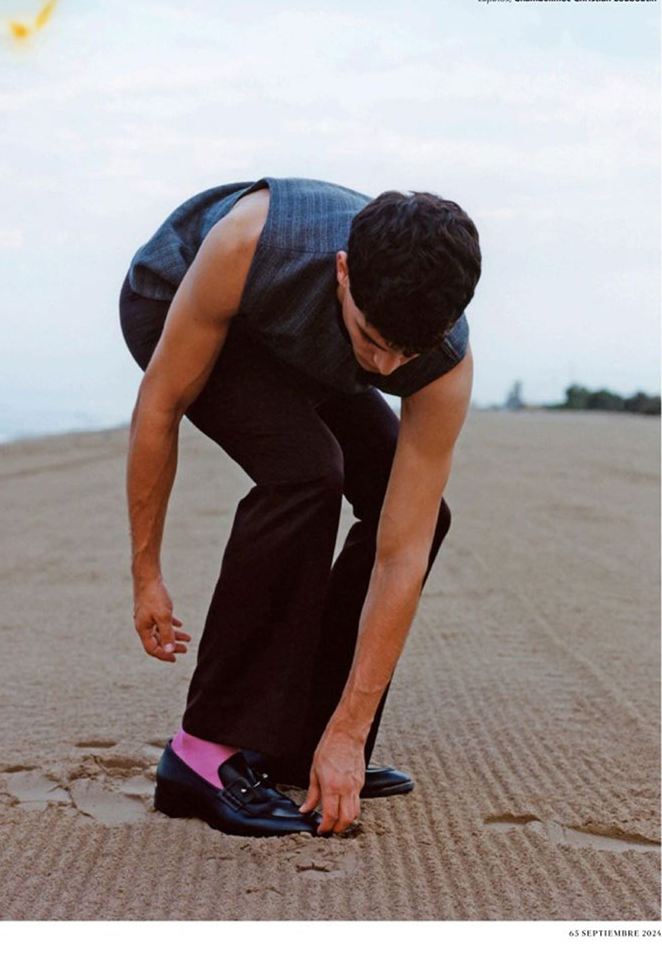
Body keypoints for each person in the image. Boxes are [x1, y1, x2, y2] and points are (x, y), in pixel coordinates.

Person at [119, 176, 481, 838]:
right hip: (178, 300)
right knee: (306, 473)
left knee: (421, 513)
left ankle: (304, 740)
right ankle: (200, 754)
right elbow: (160, 405)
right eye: (374, 337)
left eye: (408, 353)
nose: (387, 366)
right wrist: (147, 573)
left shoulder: (441, 360)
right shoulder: (249, 242)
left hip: (306, 342)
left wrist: (348, 731)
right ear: (343, 272)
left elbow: (401, 553)